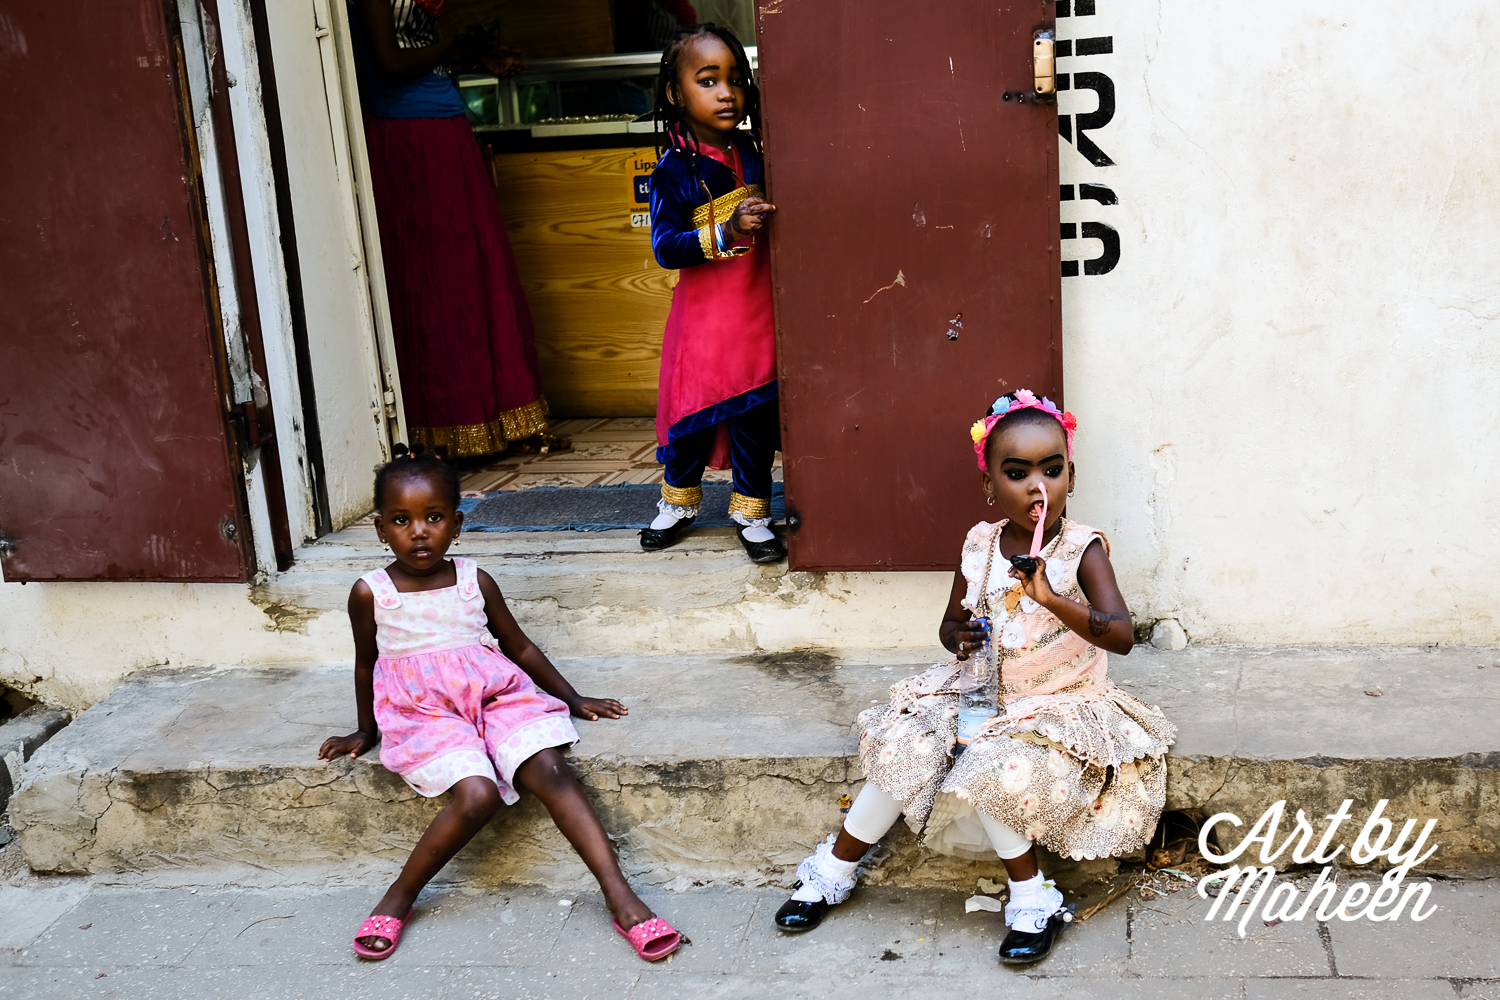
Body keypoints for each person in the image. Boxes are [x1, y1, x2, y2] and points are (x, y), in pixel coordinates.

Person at [772, 390, 1176, 966]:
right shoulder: (980, 544)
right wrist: (958, 639)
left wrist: (1051, 599)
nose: (1038, 488)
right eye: (1017, 474)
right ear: (990, 485)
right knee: (904, 746)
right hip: (981, 692)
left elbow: (1121, 635)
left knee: (991, 765)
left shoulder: (1081, 550)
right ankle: (832, 869)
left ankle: (1033, 898)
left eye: (1052, 470)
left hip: (1055, 704)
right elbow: (950, 623)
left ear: (1071, 475)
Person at [318, 445, 681, 962]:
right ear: (380, 529)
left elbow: (520, 647)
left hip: (494, 698)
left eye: (434, 517)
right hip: (425, 713)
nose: (419, 531)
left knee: (550, 768)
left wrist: (572, 698)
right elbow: (365, 663)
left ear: (458, 523)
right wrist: (366, 729)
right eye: (401, 520)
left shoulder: (474, 581)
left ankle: (621, 898)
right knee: (477, 794)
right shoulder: (371, 593)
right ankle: (399, 898)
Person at [348, 0, 549, 457]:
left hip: (437, 121)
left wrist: (469, 50)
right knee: (434, 273)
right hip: (407, 130)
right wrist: (456, 45)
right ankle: (449, 423)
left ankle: (484, 418)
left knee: (460, 268)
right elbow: (390, 61)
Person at [639, 25, 783, 563]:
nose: (727, 92)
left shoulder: (753, 150)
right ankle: (678, 502)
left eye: (736, 80)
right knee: (693, 419)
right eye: (708, 81)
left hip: (757, 314)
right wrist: (726, 230)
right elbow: (667, 248)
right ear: (676, 94)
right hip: (705, 324)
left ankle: (752, 513)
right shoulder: (673, 170)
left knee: (755, 416)